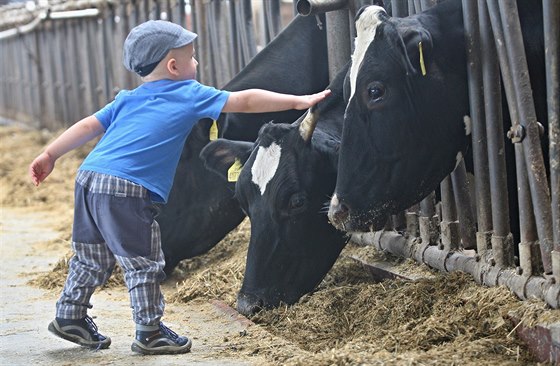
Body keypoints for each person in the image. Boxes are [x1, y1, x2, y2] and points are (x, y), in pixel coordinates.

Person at [28, 19, 330, 355]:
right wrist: (298, 101)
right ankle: (150, 331)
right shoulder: (189, 94)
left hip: (89, 179)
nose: (197, 63)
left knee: (91, 258)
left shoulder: (128, 98)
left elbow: (87, 125)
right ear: (174, 66)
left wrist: (50, 154)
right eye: (193, 56)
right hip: (127, 189)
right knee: (143, 263)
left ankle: (70, 314)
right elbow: (244, 101)